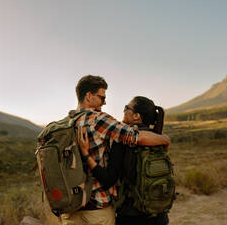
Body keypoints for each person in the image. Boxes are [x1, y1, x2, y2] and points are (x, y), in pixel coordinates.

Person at [60, 75, 170, 225]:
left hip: (69, 207)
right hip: (99, 209)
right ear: (88, 96)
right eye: (101, 98)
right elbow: (135, 137)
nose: (104, 103)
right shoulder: (100, 120)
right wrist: (165, 139)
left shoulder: (64, 124)